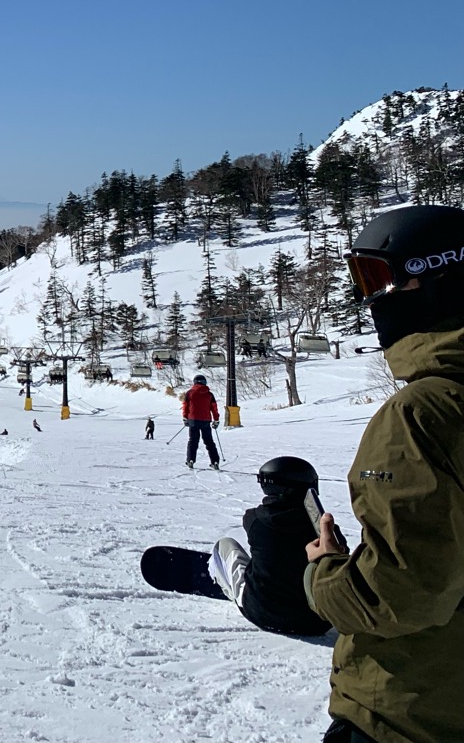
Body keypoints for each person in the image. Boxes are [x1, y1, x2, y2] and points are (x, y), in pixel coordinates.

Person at [304, 205, 464, 743]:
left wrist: (324, 574)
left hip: (413, 715)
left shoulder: (423, 416)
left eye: (378, 279)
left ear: (438, 276)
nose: (371, 299)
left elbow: (402, 593)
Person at [207, 456, 331, 636]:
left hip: (262, 614)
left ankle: (226, 582)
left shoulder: (256, 520)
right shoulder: (325, 528)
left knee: (225, 545)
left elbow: (258, 521)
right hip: (317, 621)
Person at [180, 374, 220, 469]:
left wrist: (185, 418)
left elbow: (185, 406)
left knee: (193, 441)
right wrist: (216, 419)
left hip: (193, 420)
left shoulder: (189, 393)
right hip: (206, 420)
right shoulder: (209, 394)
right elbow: (214, 408)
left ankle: (190, 460)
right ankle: (214, 462)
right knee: (209, 441)